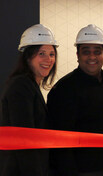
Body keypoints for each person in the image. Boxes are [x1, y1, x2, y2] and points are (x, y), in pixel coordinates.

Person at [47, 24, 103, 176]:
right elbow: (58, 140)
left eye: (97, 52)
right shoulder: (63, 89)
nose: (92, 57)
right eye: (86, 52)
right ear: (77, 55)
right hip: (78, 171)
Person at [0, 24, 58, 176]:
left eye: (52, 54)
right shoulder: (20, 87)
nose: (48, 59)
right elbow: (24, 141)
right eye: (41, 53)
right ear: (27, 56)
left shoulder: (30, 85)